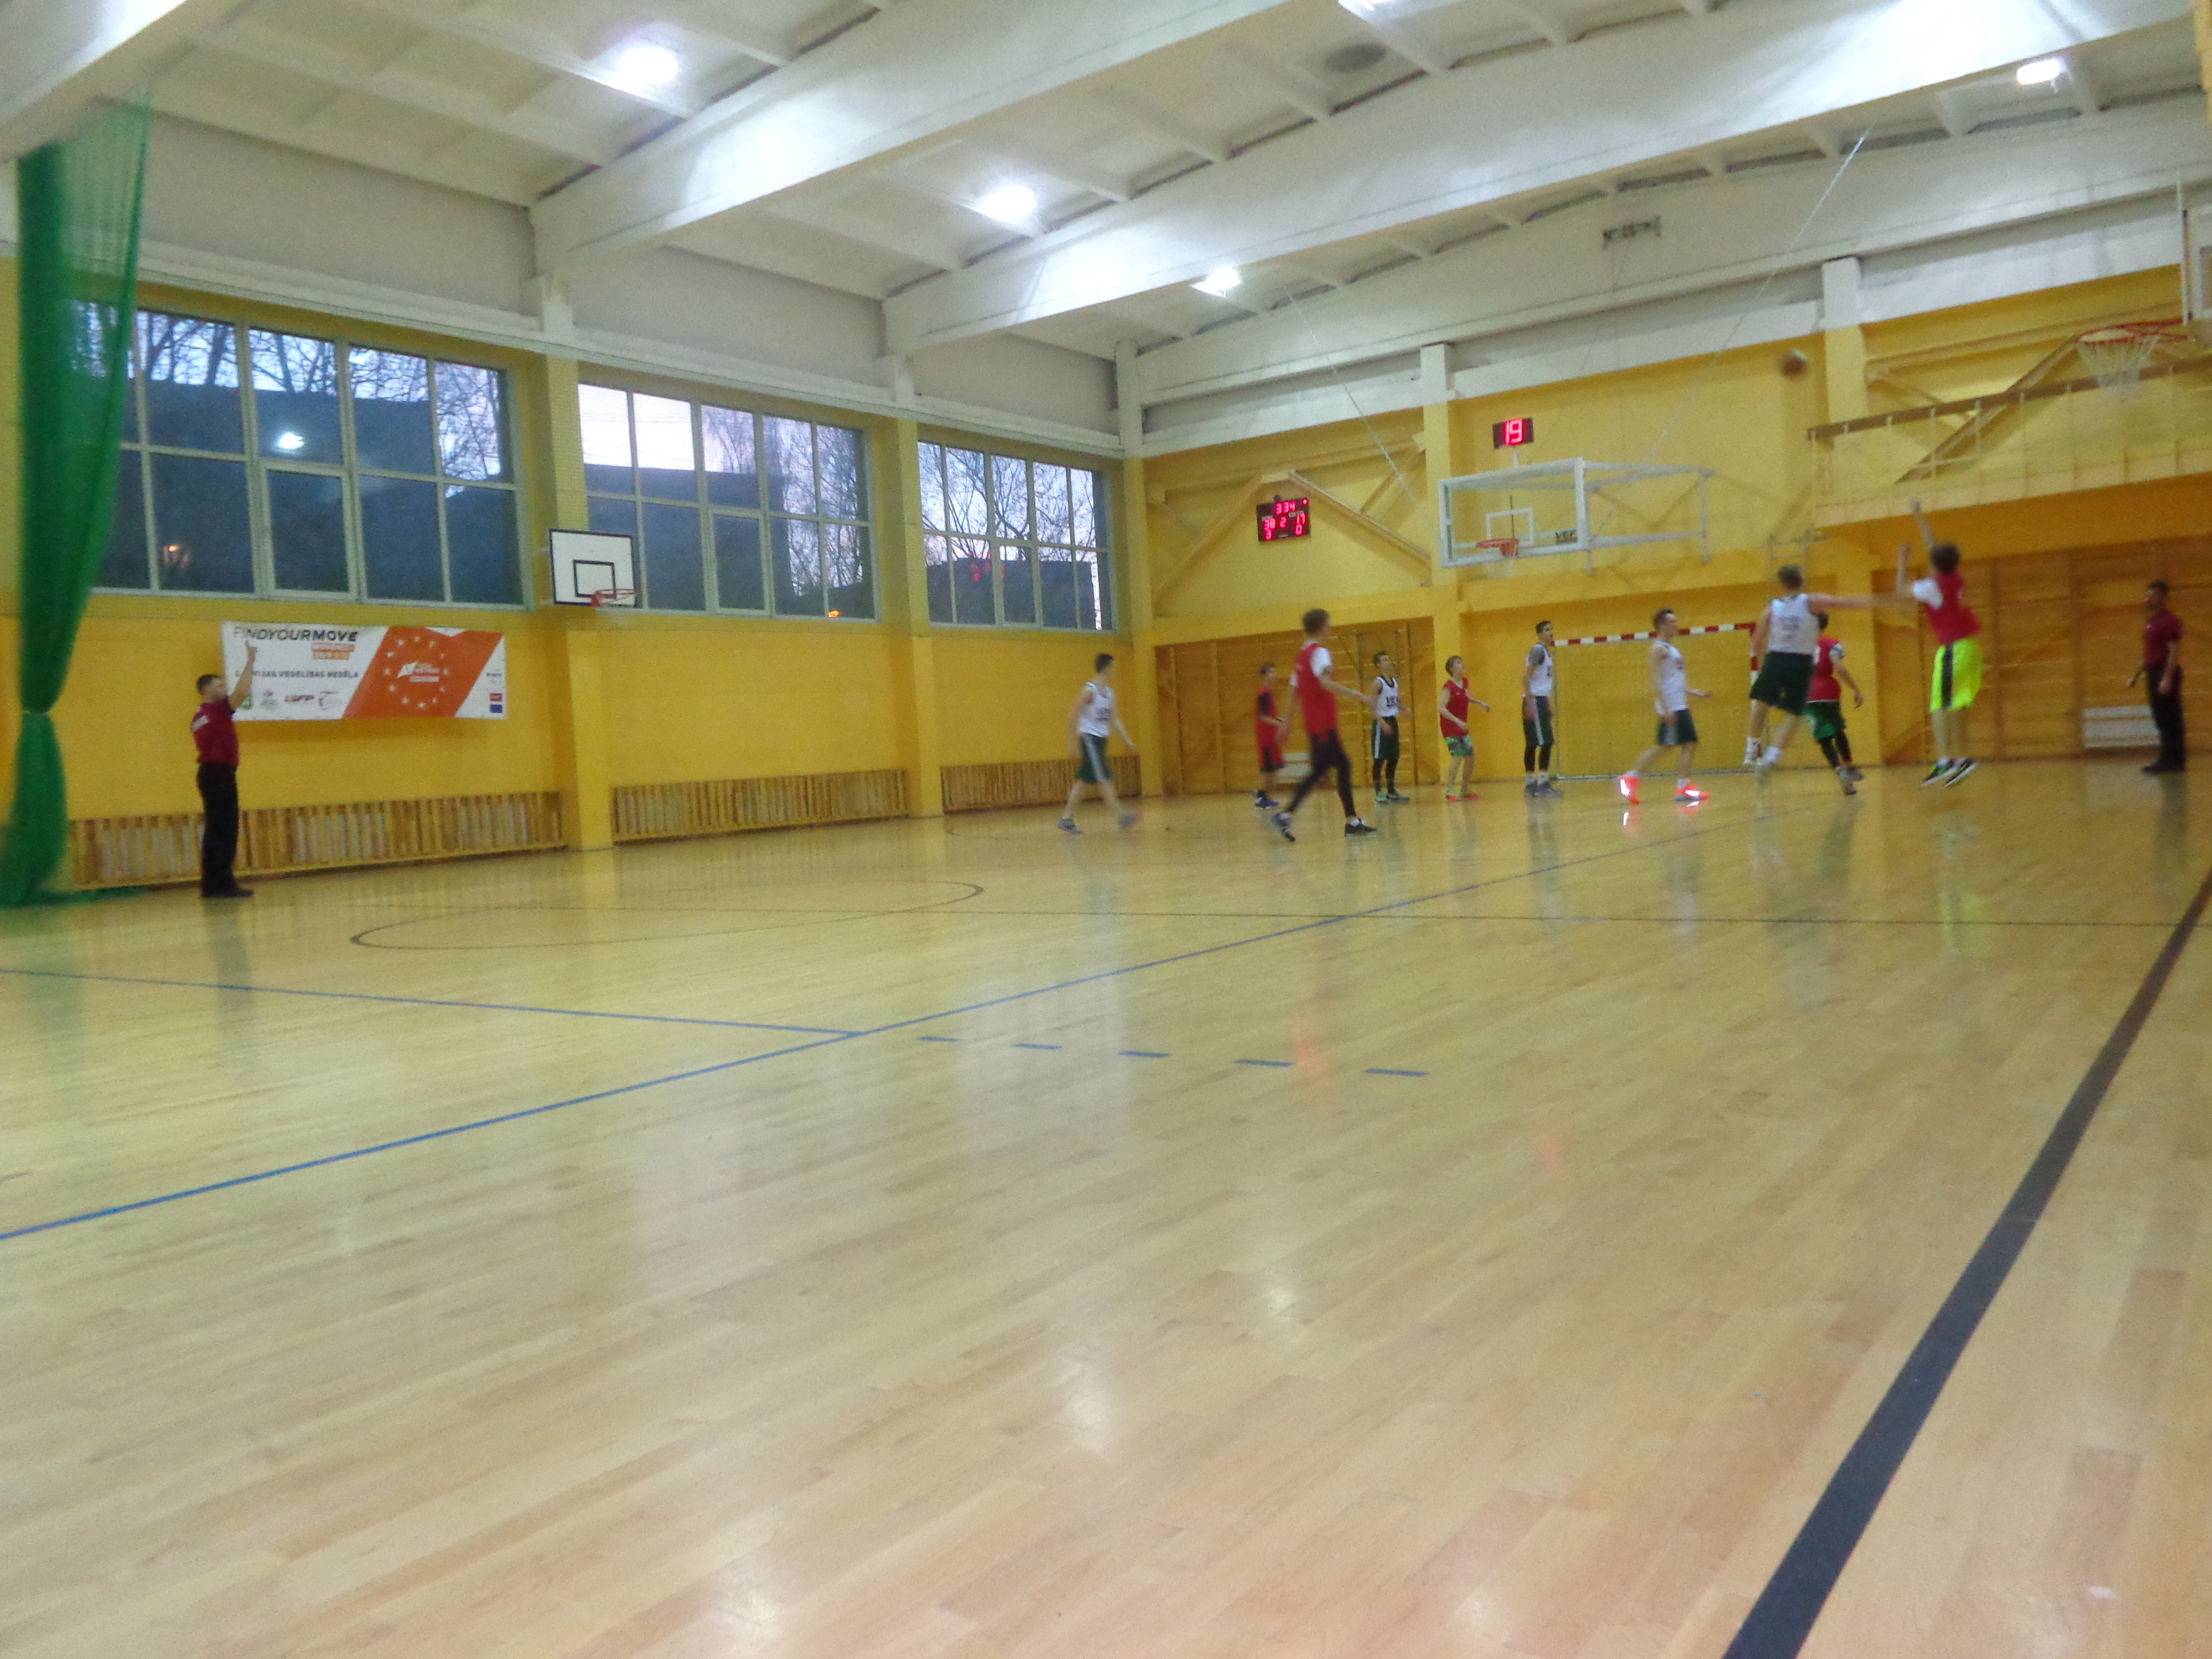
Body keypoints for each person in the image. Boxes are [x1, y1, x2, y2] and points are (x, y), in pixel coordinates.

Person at [1809, 498, 1982, 786]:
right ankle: (1961, 758)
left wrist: (1901, 562)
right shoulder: (1955, 579)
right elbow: (1933, 548)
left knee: (1939, 706)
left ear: (1934, 564)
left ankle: (1946, 761)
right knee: (1954, 706)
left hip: (1954, 648)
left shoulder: (1933, 586)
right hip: (1969, 647)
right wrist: (1918, 516)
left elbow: (1901, 592)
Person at [1271, 608, 1378, 841]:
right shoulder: (1320, 652)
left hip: (1314, 724)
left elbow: (1294, 689)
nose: (1330, 628)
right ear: (1322, 627)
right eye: (1328, 624)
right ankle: (1287, 814)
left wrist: (1287, 720)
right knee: (1325, 769)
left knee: (1337, 766)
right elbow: (1325, 683)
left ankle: (1351, 820)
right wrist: (1359, 695)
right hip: (1323, 724)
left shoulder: (1303, 654)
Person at [1617, 608, 1712, 805]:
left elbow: (1673, 679)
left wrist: (1691, 691)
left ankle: (1681, 786)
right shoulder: (1657, 649)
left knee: (1687, 743)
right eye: (1672, 622)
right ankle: (1631, 777)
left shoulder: (1672, 649)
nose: (1676, 625)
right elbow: (1656, 681)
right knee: (1667, 746)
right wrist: (1663, 709)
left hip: (1679, 704)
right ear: (1661, 625)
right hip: (1671, 707)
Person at [191, 644, 257, 899]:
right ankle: (221, 885)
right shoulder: (216, 710)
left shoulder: (199, 715)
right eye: (219, 685)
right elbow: (242, 691)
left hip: (210, 773)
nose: (224, 689)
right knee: (225, 831)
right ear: (207, 689)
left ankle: (213, 884)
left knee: (216, 830)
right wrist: (250, 661)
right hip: (219, 773)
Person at [1743, 564, 1820, 774]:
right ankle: (1771, 756)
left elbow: (1756, 642)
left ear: (1782, 583)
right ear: (1801, 580)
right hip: (1800, 661)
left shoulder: (1773, 607)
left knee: (1761, 703)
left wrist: (1763, 663)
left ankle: (1751, 750)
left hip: (1775, 660)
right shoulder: (1810, 604)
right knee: (1793, 712)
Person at [1057, 653, 1138, 834]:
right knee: (1104, 778)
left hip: (1101, 740)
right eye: (1113, 667)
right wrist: (1072, 744)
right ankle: (1122, 817)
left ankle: (1066, 819)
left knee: (1084, 781)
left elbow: (1114, 719)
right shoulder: (1090, 691)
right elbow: (1074, 715)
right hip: (1089, 739)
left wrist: (1127, 740)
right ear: (1107, 668)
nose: (1115, 670)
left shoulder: (1110, 693)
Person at [1806, 612, 1866, 795]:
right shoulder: (1832, 644)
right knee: (1838, 729)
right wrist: (1856, 689)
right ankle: (1849, 766)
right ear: (1825, 625)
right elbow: (1838, 668)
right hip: (1828, 692)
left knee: (1823, 737)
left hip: (1808, 694)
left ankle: (1839, 770)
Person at [2130, 579, 2184, 773]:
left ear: (2163, 597)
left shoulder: (2169, 621)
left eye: (2152, 595)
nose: (2148, 599)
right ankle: (2169, 758)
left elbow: (2173, 651)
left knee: (2170, 718)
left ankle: (2173, 760)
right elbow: (2149, 653)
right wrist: (2136, 675)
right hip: (2153, 672)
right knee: (2160, 717)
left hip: (2164, 672)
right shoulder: (2150, 622)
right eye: (2147, 595)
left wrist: (2167, 677)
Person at [1438, 654, 1490, 802]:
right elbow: (1441, 708)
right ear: (1451, 668)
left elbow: (1467, 697)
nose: (1462, 665)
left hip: (1462, 727)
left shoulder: (1465, 682)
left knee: (1470, 757)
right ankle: (1449, 790)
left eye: (1462, 662)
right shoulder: (1448, 687)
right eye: (1458, 663)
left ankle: (1464, 789)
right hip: (1450, 728)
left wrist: (1480, 702)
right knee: (1457, 756)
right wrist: (1457, 721)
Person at [1522, 620, 1559, 797]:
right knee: (1545, 741)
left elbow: (1543, 682)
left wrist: (1547, 704)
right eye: (1546, 630)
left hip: (1541, 699)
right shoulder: (1538, 651)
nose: (1550, 632)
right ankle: (1542, 783)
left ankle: (1531, 783)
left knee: (1535, 742)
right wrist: (1530, 702)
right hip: (1535, 700)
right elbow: (1526, 677)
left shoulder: (1546, 653)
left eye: (1551, 629)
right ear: (1539, 634)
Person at [1368, 649, 1407, 805]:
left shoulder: (1395, 682)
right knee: (1379, 758)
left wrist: (1405, 709)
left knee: (1393, 757)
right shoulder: (1378, 683)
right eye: (1384, 660)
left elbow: (1397, 701)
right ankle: (1378, 792)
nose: (1388, 662)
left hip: (1392, 720)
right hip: (1381, 722)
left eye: (1388, 659)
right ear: (1378, 665)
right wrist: (1381, 722)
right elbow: (1371, 705)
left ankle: (1391, 791)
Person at [1253, 662, 1289, 806]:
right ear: (1263, 676)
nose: (1274, 675)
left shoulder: (1268, 693)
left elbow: (1269, 715)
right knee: (1267, 769)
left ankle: (1263, 795)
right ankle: (1261, 796)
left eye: (1275, 672)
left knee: (1271, 769)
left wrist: (1279, 720)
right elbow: (1263, 717)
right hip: (1266, 737)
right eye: (1271, 672)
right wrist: (1280, 724)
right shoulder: (1264, 694)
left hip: (1270, 737)